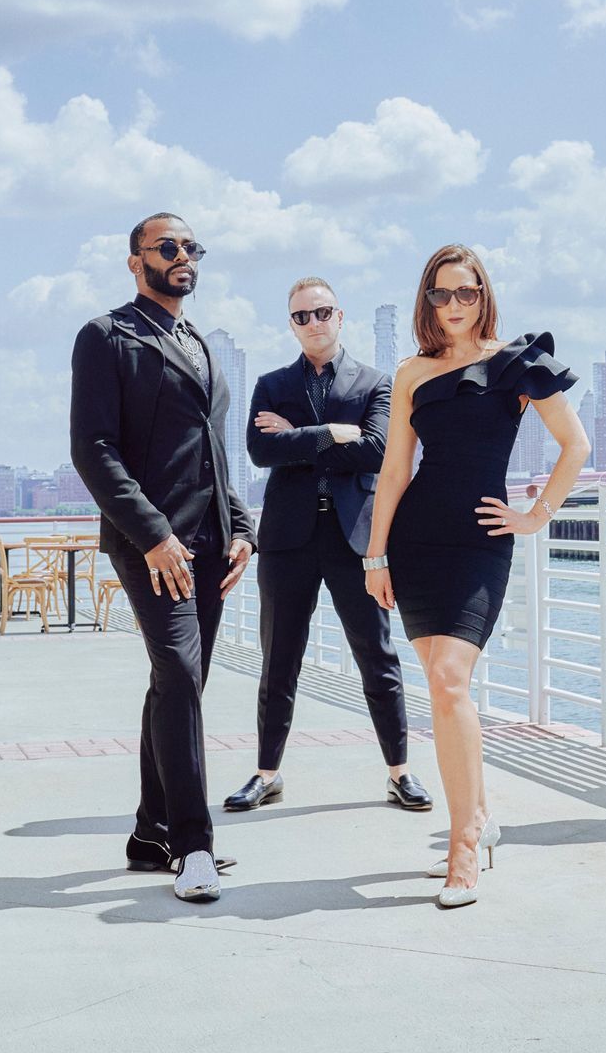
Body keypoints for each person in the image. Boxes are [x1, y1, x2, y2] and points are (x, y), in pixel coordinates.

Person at [365, 245, 587, 908]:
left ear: (484, 295)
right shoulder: (410, 373)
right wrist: (375, 554)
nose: (454, 305)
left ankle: (463, 844)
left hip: (482, 540)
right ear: (426, 302)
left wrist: (536, 515)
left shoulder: (518, 364)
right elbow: (395, 471)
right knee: (441, 690)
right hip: (417, 539)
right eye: (441, 294)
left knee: (449, 678)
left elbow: (576, 445)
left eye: (466, 292)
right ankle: (481, 819)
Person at [69, 212, 255, 902]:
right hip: (153, 543)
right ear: (135, 260)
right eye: (168, 247)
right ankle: (192, 845)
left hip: (210, 541)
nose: (183, 256)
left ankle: (150, 830)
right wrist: (151, 533)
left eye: (191, 247)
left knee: (180, 682)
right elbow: (92, 447)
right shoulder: (106, 336)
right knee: (177, 671)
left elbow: (214, 452)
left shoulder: (199, 342)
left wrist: (241, 526)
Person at [230, 277, 432, 814]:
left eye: (321, 313)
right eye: (301, 316)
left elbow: (378, 450)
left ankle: (400, 772)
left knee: (378, 658)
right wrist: (334, 432)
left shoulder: (375, 382)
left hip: (355, 542)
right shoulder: (271, 384)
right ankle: (265, 773)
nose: (313, 323)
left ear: (340, 316)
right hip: (287, 542)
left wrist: (300, 434)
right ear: (291, 325)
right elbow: (258, 451)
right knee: (278, 662)